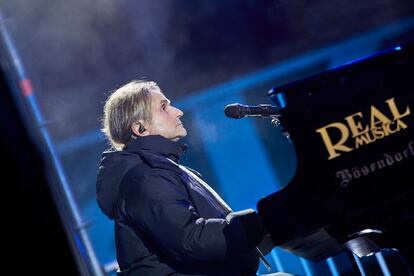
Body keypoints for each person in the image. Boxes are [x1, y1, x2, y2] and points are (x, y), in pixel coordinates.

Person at [96, 80, 274, 275]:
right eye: (164, 107)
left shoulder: (160, 170)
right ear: (140, 129)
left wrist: (266, 232)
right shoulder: (147, 177)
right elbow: (191, 240)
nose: (177, 111)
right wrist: (259, 223)